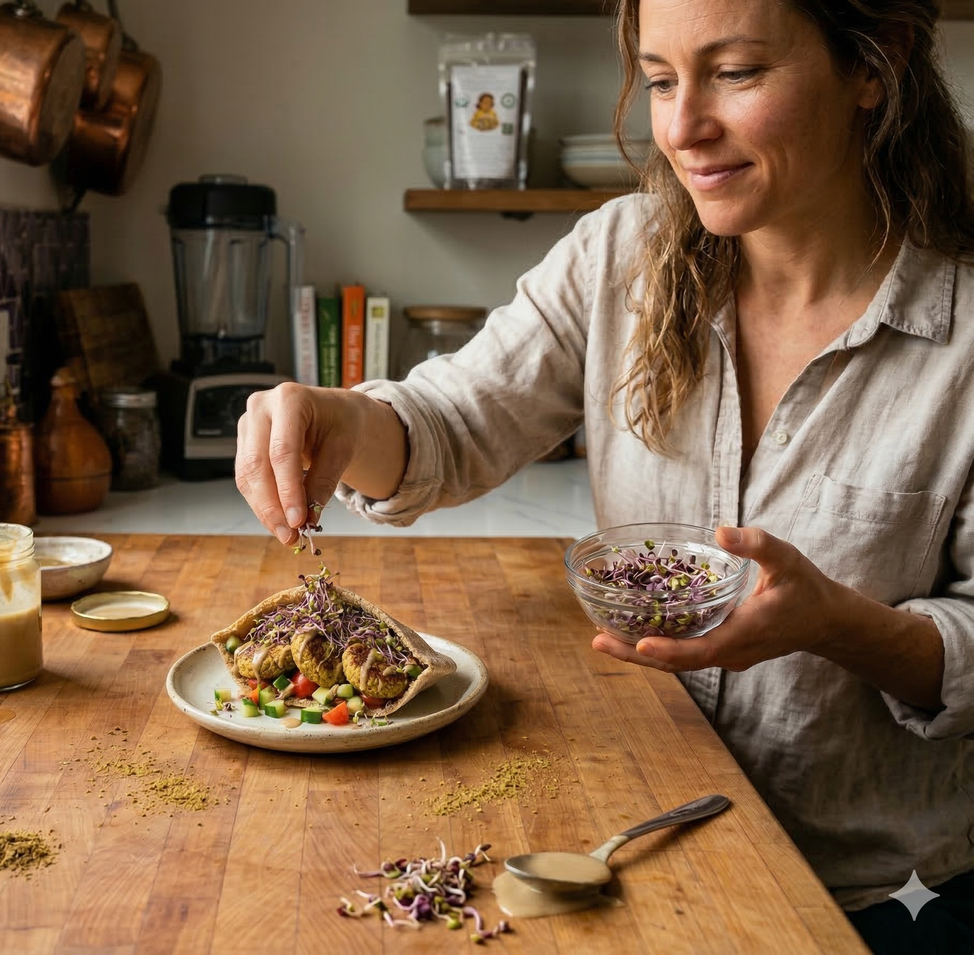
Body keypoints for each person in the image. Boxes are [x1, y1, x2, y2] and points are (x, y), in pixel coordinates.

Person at [234, 0, 974, 951]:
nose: (681, 128)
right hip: (641, 852)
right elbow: (454, 422)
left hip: (881, 900)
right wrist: (343, 419)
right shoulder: (621, 254)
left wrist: (839, 626)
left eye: (737, 73)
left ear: (876, 63)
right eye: (662, 80)